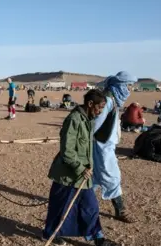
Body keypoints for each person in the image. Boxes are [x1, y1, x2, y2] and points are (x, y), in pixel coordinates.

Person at [43, 89, 116, 246]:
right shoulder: (74, 120)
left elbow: (97, 140)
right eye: (99, 108)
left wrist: (112, 116)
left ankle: (98, 238)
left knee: (91, 207)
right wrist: (80, 168)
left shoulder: (88, 120)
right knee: (59, 208)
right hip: (68, 175)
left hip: (84, 176)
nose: (100, 111)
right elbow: (67, 150)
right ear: (90, 104)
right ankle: (50, 233)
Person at [92, 71, 137, 224]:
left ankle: (81, 205)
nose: (130, 90)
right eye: (128, 86)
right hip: (101, 148)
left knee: (94, 180)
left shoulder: (112, 99)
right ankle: (120, 210)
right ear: (120, 85)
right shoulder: (107, 101)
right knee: (112, 177)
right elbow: (94, 128)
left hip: (106, 146)